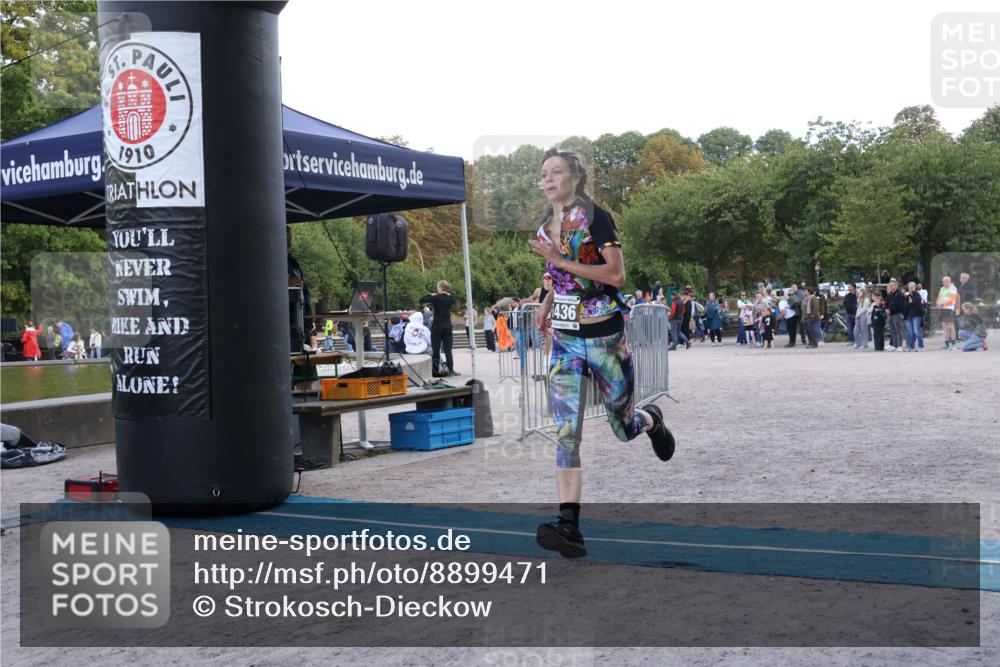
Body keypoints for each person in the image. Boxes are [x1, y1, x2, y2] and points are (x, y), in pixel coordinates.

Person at [528, 147, 674, 559]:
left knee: (621, 426)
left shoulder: (595, 218)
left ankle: (650, 420)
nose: (549, 179)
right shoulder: (544, 229)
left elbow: (615, 274)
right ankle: (569, 526)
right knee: (566, 433)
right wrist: (544, 303)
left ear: (575, 178)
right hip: (566, 342)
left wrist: (561, 260)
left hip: (606, 337)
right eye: (544, 174)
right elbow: (558, 276)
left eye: (557, 171)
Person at [420, 280, 458, 377]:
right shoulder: (450, 298)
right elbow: (455, 301)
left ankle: (437, 371)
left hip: (437, 325)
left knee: (436, 349)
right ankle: (451, 370)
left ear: (440, 287)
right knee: (448, 349)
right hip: (447, 325)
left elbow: (422, 300)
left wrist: (431, 294)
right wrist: (448, 294)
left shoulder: (436, 297)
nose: (436, 288)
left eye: (437, 286)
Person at [936, 275, 960, 351]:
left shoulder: (953, 288)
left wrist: (943, 304)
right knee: (945, 327)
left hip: (949, 309)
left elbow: (952, 300)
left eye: (946, 281)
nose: (945, 282)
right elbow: (939, 298)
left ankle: (953, 344)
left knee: (951, 327)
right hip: (942, 309)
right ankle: (946, 344)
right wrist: (938, 304)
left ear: (950, 281)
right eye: (943, 281)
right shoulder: (942, 289)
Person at [884, 278, 906, 352]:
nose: (891, 287)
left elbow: (899, 305)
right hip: (890, 315)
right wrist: (886, 309)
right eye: (890, 285)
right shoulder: (889, 294)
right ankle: (894, 345)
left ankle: (900, 345)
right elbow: (886, 303)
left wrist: (891, 309)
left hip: (897, 314)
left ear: (896, 285)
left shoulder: (900, 294)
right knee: (892, 331)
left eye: (893, 285)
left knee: (898, 330)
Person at [903, 281, 924, 352]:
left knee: (916, 331)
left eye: (912, 286)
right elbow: (905, 305)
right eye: (910, 287)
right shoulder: (907, 296)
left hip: (916, 315)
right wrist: (910, 303)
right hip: (909, 315)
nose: (911, 288)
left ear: (915, 287)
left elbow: (915, 302)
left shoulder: (917, 295)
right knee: (911, 332)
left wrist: (910, 303)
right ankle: (911, 347)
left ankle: (921, 346)